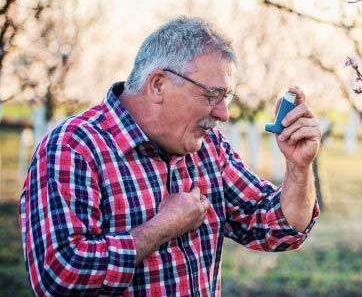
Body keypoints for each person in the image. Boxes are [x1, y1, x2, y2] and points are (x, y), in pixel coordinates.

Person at [19, 16, 321, 296]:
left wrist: (299, 167)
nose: (223, 113)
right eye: (211, 95)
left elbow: (280, 228)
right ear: (158, 85)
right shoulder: (74, 147)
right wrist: (161, 227)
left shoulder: (210, 148)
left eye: (225, 97)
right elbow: (59, 277)